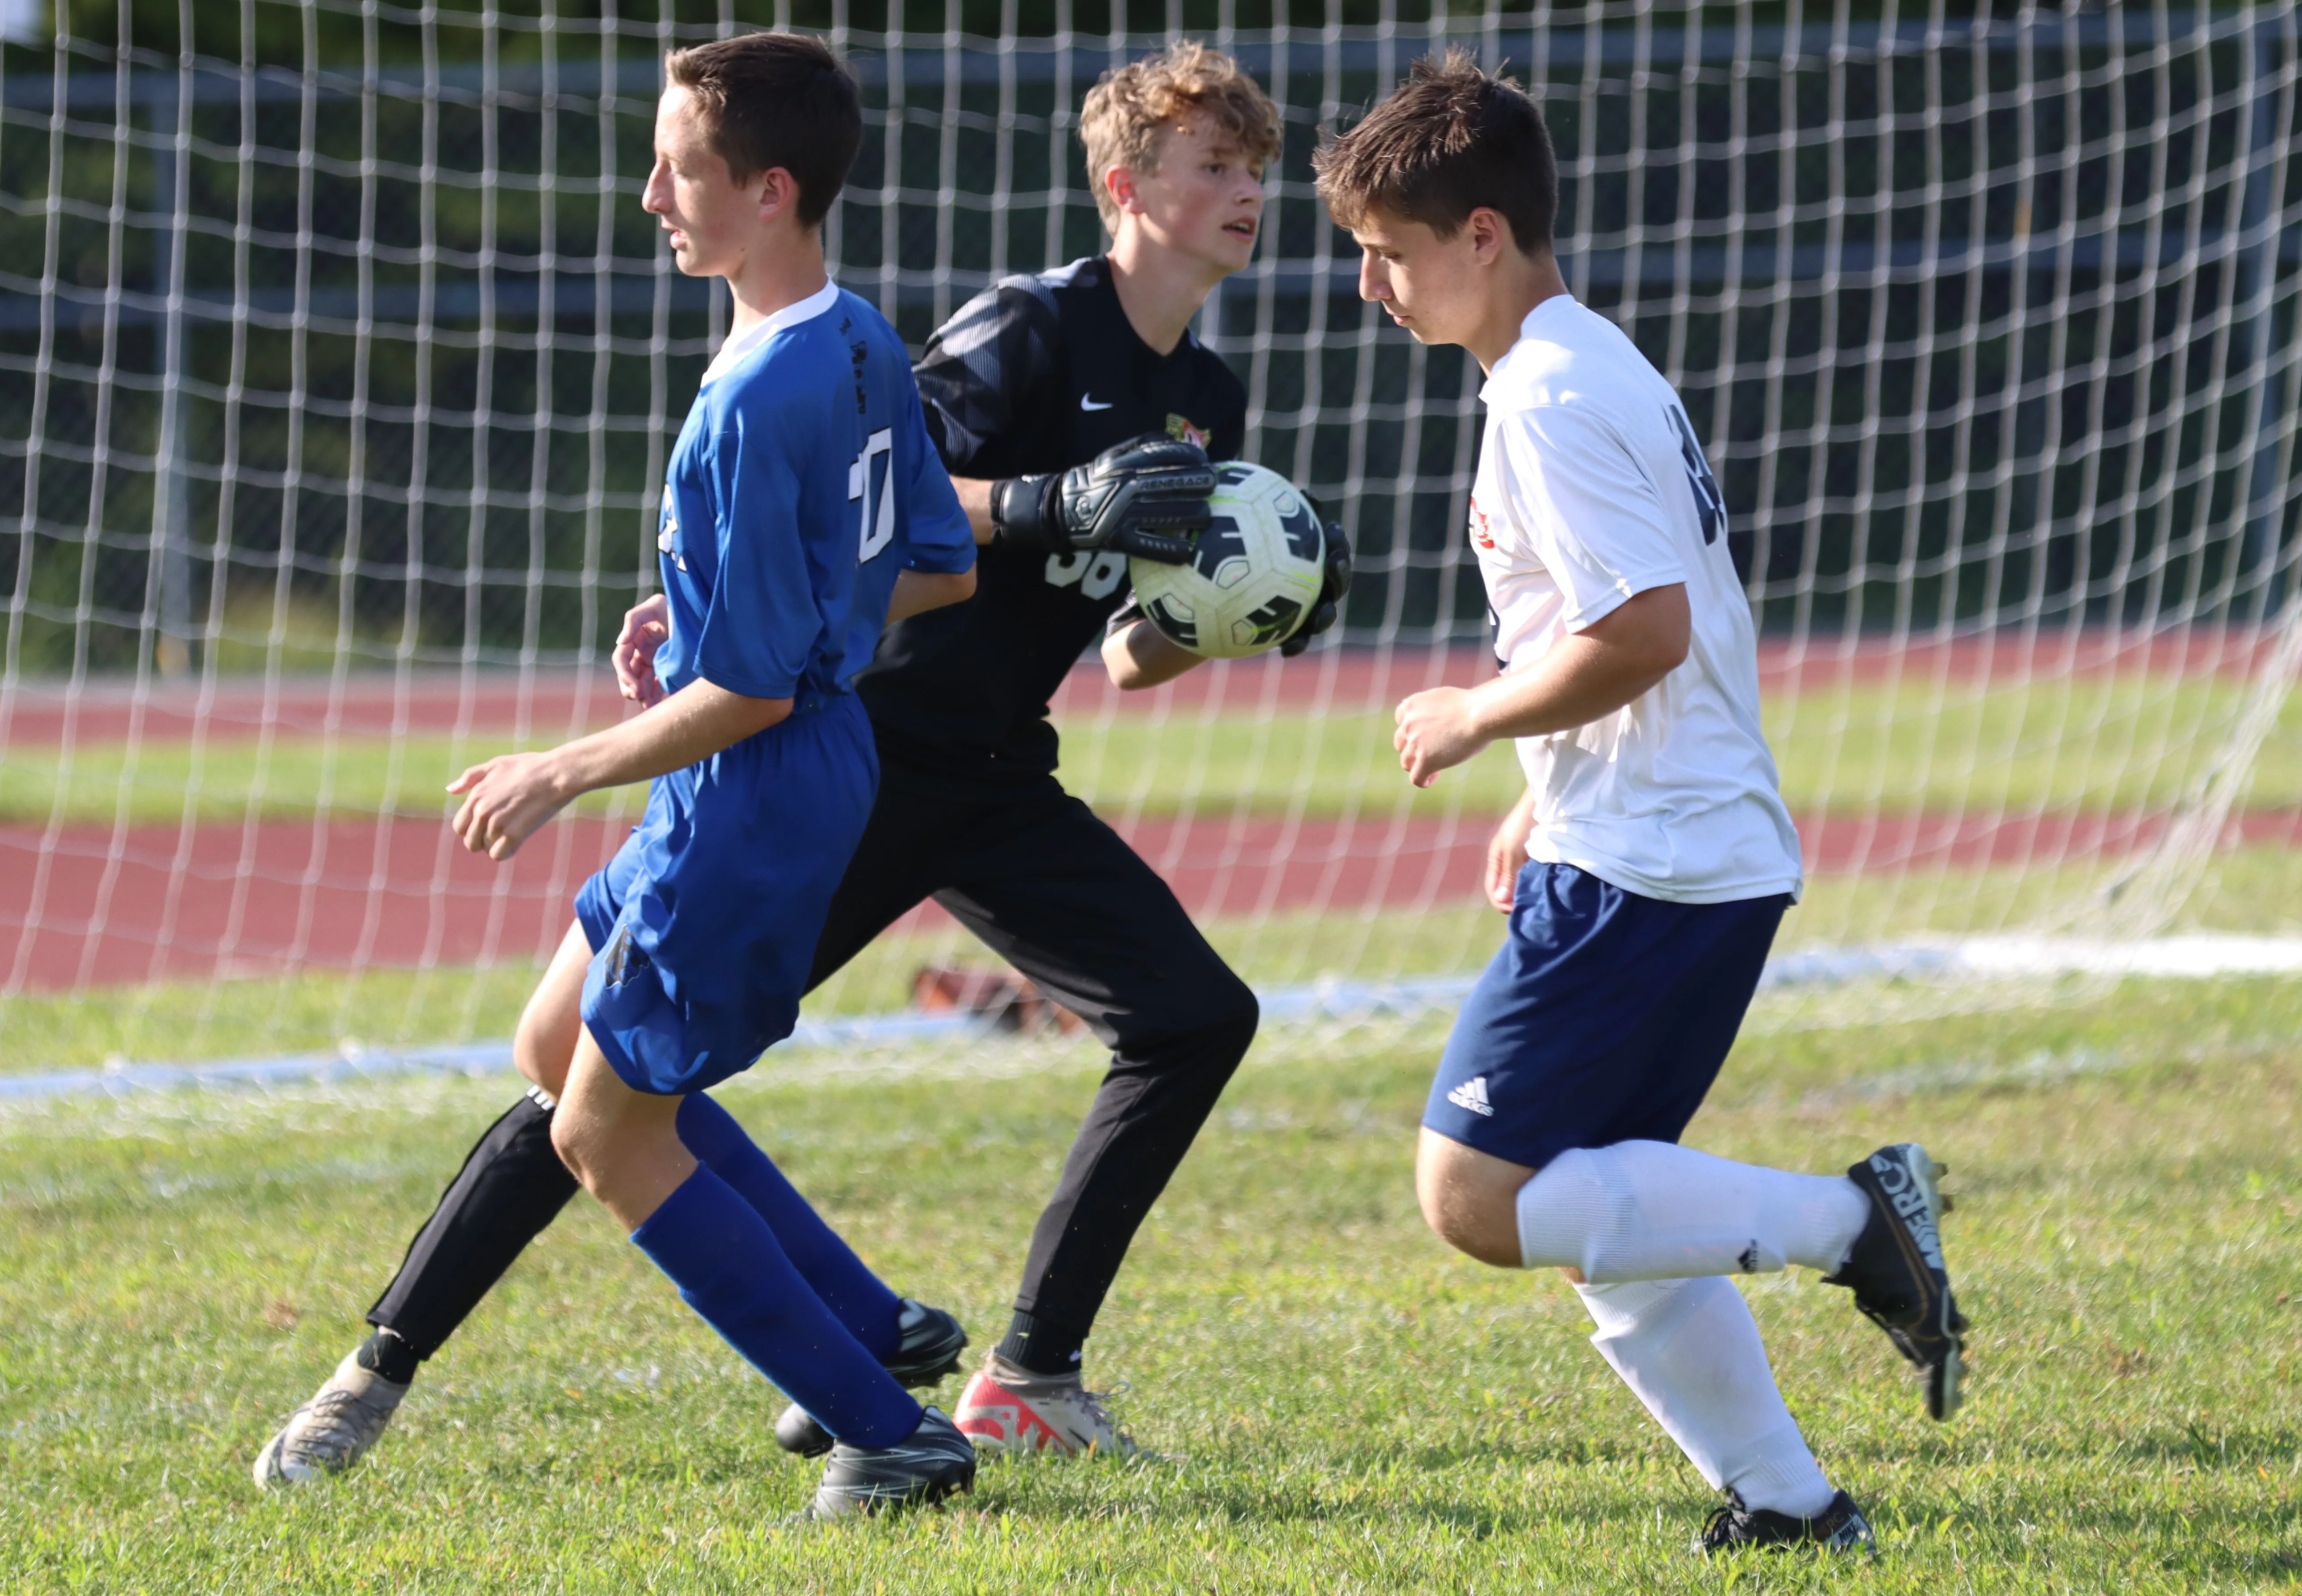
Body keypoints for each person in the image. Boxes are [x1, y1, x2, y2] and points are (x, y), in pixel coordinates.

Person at [251, 41, 1346, 1479]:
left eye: (1254, 169)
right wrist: (1037, 498)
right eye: (1216, 164)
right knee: (594, 1073)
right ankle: (380, 1365)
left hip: (990, 773)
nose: (1245, 191)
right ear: (1125, 186)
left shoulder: (1203, 396)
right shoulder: (1023, 331)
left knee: (1197, 1015)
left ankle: (1024, 1374)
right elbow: (896, 505)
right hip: (857, 751)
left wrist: (1255, 608)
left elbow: (1134, 648)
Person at [254, 33, 985, 1519]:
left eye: (681, 168)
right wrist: (736, 614)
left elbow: (757, 686)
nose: (652, 190)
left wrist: (563, 765)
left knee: (600, 1132)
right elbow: (935, 568)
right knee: (554, 1041)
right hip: (783, 758)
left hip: (755, 785)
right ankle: (870, 1326)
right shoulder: (855, 336)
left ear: (769, 191)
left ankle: (889, 1432)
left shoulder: (753, 396)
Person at [1314, 53, 1968, 1555]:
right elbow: (1626, 622)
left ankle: (1852, 1222)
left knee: (1476, 1196)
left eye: (1390, 253)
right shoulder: (1584, 359)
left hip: (1655, 868)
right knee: (1611, 1206)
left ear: (1482, 235)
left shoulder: (1546, 393)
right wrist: (1545, 791)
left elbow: (1651, 627)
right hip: (1656, 845)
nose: (1372, 288)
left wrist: (1481, 713)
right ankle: (1794, 1509)